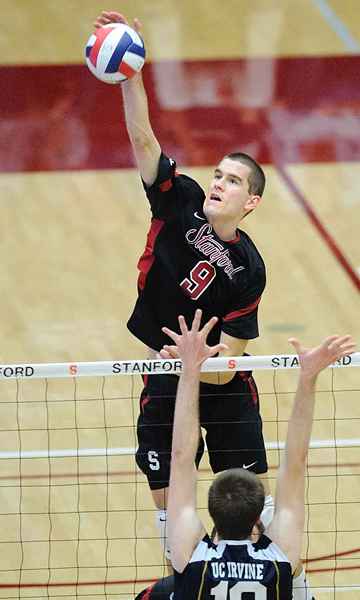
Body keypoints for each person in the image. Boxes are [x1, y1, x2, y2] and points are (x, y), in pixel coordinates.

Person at [94, 8, 272, 544]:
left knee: (253, 520)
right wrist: (133, 74)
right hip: (168, 373)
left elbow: (232, 361)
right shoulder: (182, 201)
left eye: (234, 180)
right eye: (218, 173)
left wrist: (197, 363)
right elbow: (143, 138)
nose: (219, 182)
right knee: (174, 517)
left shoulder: (248, 270)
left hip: (221, 384)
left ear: (251, 201)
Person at [135, 310, 355, 599]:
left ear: (211, 514)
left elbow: (181, 457)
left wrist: (189, 370)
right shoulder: (279, 559)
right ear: (257, 521)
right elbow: (295, 463)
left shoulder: (191, 558)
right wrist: (308, 378)